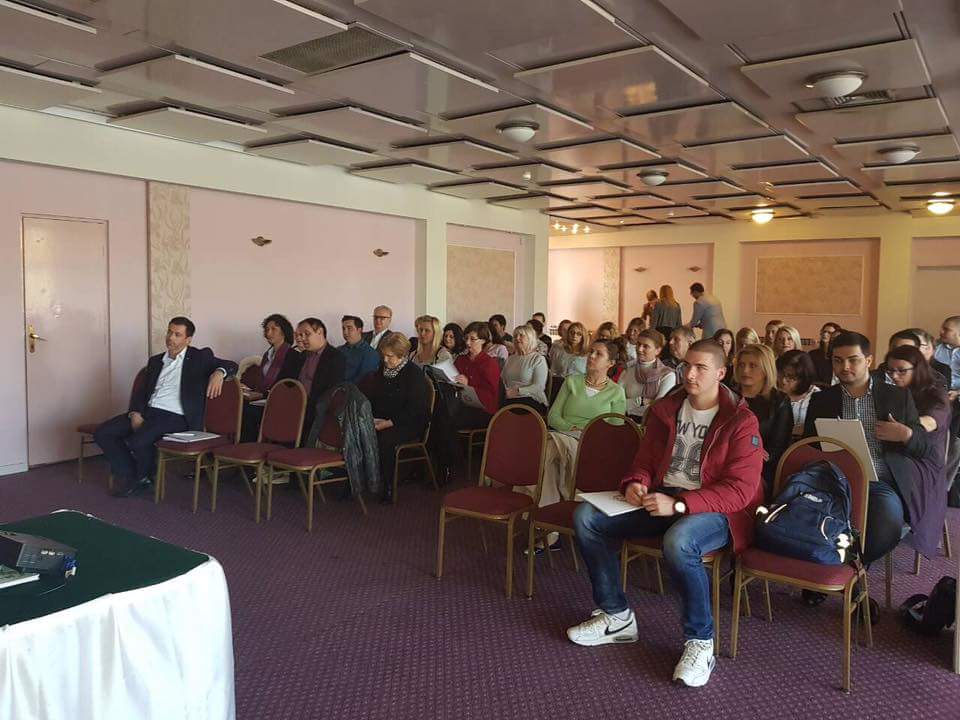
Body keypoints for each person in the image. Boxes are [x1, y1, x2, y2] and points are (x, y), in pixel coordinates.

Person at [566, 340, 763, 688]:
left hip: (717, 510)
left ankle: (700, 641)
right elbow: (644, 460)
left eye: (701, 368)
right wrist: (636, 483)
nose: (690, 374)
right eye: (687, 365)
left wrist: (681, 505)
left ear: (721, 373)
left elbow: (739, 491)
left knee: (680, 541)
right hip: (663, 498)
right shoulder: (666, 409)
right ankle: (616, 616)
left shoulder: (740, 420)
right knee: (587, 518)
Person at [803, 331, 928, 568]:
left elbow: (924, 447)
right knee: (803, 510)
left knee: (885, 520)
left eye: (853, 360)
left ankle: (851, 568)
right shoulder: (822, 400)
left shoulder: (897, 397)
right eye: (838, 361)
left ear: (868, 361)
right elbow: (809, 445)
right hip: (834, 479)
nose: (845, 367)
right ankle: (833, 565)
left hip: (879, 483)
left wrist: (905, 434)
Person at [94, 317, 237, 497]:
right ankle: (134, 474)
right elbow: (141, 392)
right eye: (169, 332)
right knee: (103, 433)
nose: (171, 338)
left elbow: (232, 365)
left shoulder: (200, 357)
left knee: (138, 440)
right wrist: (135, 412)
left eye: (177, 334)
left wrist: (219, 372)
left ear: (188, 339)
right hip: (148, 412)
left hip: (176, 416)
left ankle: (140, 476)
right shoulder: (155, 361)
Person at [538, 340, 627, 548]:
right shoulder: (572, 381)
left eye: (598, 354)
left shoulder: (616, 392)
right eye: (591, 352)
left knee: (544, 452)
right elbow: (553, 416)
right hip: (564, 434)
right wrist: (571, 428)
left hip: (592, 444)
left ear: (610, 363)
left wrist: (587, 433)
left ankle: (547, 523)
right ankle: (554, 521)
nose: (591, 356)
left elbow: (616, 429)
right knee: (551, 448)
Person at [883, 345, 951, 557]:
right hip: (894, 451)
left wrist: (905, 430)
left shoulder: (935, 395)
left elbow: (929, 422)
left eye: (901, 371)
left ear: (918, 369)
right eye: (890, 370)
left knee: (882, 474)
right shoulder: (891, 391)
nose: (894, 376)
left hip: (923, 461)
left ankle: (884, 526)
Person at [365, 333, 430, 504]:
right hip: (385, 417)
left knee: (386, 439)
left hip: (409, 421)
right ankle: (363, 478)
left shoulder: (413, 374)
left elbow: (415, 409)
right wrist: (371, 417)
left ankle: (387, 486)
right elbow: (376, 396)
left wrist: (388, 423)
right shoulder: (383, 368)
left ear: (402, 355)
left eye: (390, 356)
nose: (385, 360)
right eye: (383, 355)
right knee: (360, 430)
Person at [734, 343, 793, 496]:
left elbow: (778, 447)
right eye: (741, 365)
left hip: (761, 469)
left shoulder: (779, 401)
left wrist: (751, 457)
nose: (745, 370)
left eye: (753, 366)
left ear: (766, 369)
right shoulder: (728, 396)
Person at [282, 318, 346, 440]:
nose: (302, 339)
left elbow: (332, 393)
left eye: (307, 334)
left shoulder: (335, 357)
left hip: (317, 412)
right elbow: (287, 382)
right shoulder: (301, 356)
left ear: (320, 332)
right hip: (294, 406)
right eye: (299, 335)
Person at [618, 329, 676, 420]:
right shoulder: (628, 371)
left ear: (657, 350)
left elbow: (658, 408)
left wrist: (629, 406)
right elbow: (616, 403)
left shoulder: (667, 375)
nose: (639, 349)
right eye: (638, 344)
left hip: (652, 424)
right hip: (625, 422)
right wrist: (640, 401)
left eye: (646, 346)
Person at [501, 324, 549, 413]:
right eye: (515, 336)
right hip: (510, 398)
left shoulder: (538, 359)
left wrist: (518, 391)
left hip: (531, 399)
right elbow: (502, 380)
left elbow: (539, 387)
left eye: (521, 335)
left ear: (530, 339)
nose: (517, 338)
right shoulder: (511, 358)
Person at [244, 313, 294, 397]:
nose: (268, 333)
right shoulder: (267, 354)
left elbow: (287, 385)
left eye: (274, 329)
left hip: (279, 398)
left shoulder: (293, 355)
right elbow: (261, 381)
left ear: (284, 331)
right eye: (267, 329)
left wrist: (264, 395)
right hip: (262, 397)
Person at [775, 350, 820, 437]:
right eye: (781, 374)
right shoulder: (770, 393)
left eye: (791, 377)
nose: (783, 381)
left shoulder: (817, 397)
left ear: (804, 378)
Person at [340, 315, 380, 384]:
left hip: (352, 389)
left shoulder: (370, 354)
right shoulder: (338, 350)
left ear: (359, 330)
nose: (345, 332)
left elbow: (363, 381)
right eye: (343, 328)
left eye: (349, 328)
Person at [934, 316, 960, 393]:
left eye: (946, 329)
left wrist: (957, 393)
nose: (941, 332)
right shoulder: (935, 347)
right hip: (938, 393)